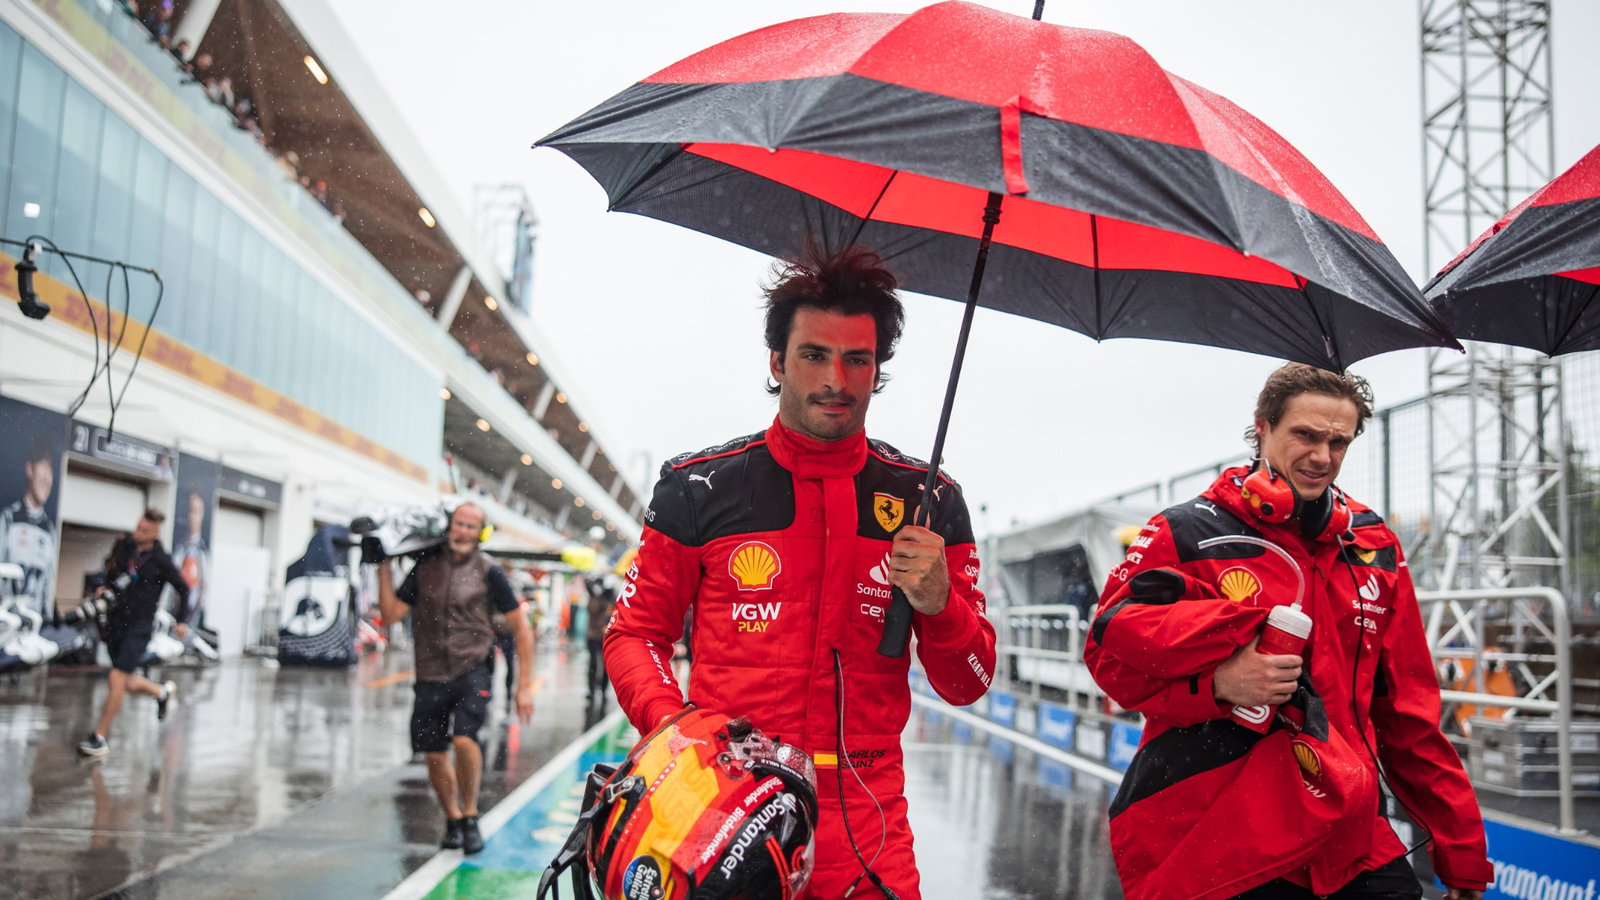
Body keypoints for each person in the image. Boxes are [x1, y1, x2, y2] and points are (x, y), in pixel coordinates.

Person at [603, 245, 996, 899]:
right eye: (815, 354)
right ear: (777, 361)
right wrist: (680, 737)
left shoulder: (931, 500)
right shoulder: (698, 487)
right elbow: (634, 634)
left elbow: (970, 683)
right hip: (720, 821)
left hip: (869, 838)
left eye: (857, 359)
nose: (835, 379)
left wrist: (941, 604)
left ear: (878, 370)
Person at [1084, 363, 1492, 900]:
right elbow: (1108, 661)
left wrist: (1461, 853)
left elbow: (1409, 714)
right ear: (1264, 427)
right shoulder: (1185, 531)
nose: (1323, 456)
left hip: (1351, 833)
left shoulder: (1372, 546)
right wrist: (1219, 685)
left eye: (1339, 442)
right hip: (1222, 834)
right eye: (1305, 435)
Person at [375, 502, 534, 856]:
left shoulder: (489, 571)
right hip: (429, 672)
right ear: (449, 526)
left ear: (480, 533)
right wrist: (382, 566)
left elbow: (522, 629)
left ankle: (471, 813)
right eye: (458, 524)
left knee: (464, 740)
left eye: (470, 526)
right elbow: (390, 615)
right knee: (433, 754)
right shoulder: (424, 567)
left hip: (471, 667)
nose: (463, 532)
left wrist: (523, 685)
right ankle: (452, 818)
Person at [78, 509, 188, 758]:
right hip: (117, 622)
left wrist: (181, 620)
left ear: (155, 533)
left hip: (140, 626)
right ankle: (161, 693)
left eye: (144, 531)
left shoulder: (161, 560)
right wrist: (103, 587)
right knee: (124, 681)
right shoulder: (125, 546)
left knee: (116, 679)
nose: (137, 533)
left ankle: (99, 737)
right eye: (138, 527)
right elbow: (111, 571)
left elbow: (184, 589)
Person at [2, 434, 58, 621]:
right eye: (43, 469)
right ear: (30, 469)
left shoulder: (49, 530)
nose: (47, 479)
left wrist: (47, 619)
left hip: (33, 626)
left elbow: (49, 584)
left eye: (50, 472)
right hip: (6, 624)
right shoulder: (9, 519)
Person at [581, 574, 614, 708]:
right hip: (592, 635)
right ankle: (591, 689)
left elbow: (611, 610)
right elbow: (587, 583)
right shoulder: (592, 595)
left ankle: (603, 689)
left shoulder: (609, 597)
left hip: (604, 635)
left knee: (606, 664)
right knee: (593, 662)